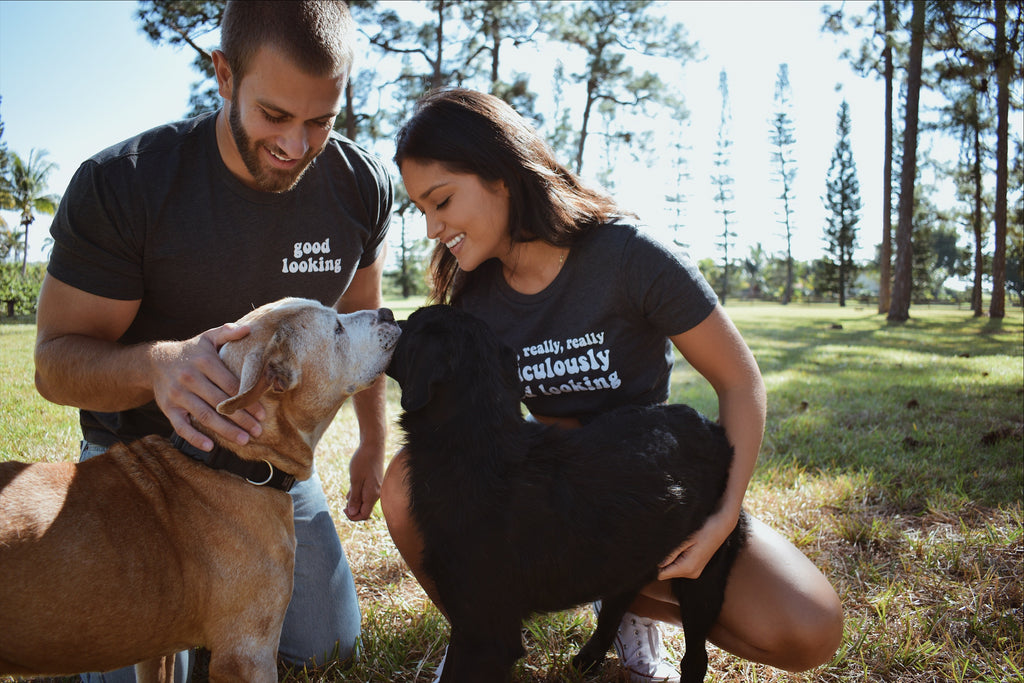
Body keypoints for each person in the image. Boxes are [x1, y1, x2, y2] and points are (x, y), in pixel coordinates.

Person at [380, 88, 843, 683]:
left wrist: (723, 516)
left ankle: (626, 610)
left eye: (440, 201)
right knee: (407, 483)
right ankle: (483, 630)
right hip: (549, 509)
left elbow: (739, 381)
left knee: (808, 628)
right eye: (419, 208)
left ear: (500, 174)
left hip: (641, 497)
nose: (430, 227)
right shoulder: (476, 297)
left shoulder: (629, 256)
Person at [33, 2, 392, 680]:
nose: (297, 145)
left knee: (327, 650)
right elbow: (54, 363)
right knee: (97, 652)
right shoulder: (127, 183)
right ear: (224, 76)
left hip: (269, 469)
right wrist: (156, 367)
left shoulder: (358, 186)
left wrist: (373, 442)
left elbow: (364, 311)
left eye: (322, 120)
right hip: (137, 463)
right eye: (275, 116)